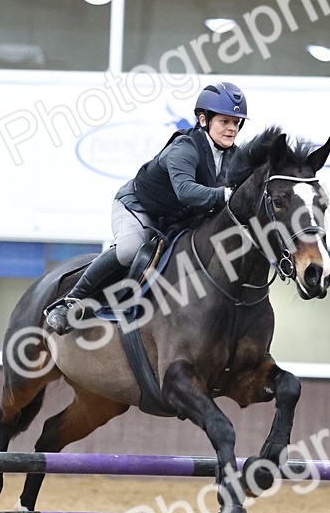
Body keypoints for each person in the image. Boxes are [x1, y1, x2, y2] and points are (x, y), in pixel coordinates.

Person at [43, 81, 248, 334]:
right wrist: (227, 194)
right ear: (204, 120)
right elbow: (185, 191)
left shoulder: (234, 157)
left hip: (174, 220)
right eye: (225, 121)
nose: (231, 129)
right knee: (130, 249)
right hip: (138, 207)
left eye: (236, 123)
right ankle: (70, 301)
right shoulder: (185, 147)